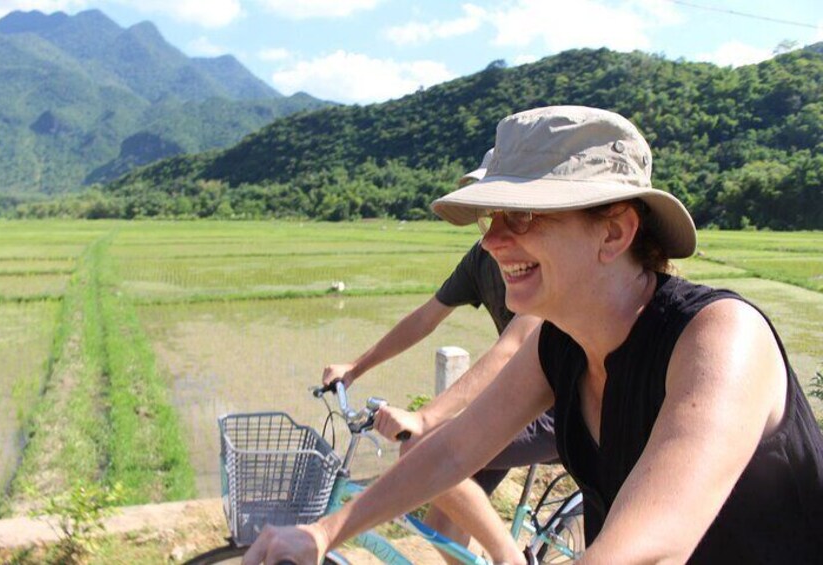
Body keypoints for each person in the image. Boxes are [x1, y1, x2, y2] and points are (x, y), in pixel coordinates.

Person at [245, 106, 823, 564]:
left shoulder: (719, 338)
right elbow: (451, 450)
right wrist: (321, 534)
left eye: (521, 216)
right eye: (490, 217)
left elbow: (651, 547)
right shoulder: (559, 342)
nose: (493, 240)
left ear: (615, 232)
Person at [322, 147, 557, 561]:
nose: (496, 229)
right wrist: (356, 368)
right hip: (515, 396)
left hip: (556, 404)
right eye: (488, 208)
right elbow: (425, 317)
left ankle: (510, 559)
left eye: (512, 211)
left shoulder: (547, 261)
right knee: (439, 524)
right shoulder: (483, 257)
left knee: (423, 447)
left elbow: (513, 347)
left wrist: (427, 418)